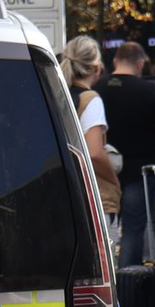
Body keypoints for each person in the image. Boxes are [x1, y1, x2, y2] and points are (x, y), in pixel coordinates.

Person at [101, 41, 155, 268]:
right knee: (133, 230)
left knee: (103, 232)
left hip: (103, 170)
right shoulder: (151, 92)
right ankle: (127, 280)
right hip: (138, 172)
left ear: (115, 61)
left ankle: (107, 278)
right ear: (140, 63)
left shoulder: (96, 89)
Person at [60, 35, 121, 235]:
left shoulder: (59, 96)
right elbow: (95, 153)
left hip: (65, 193)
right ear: (96, 68)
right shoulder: (90, 100)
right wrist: (114, 181)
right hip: (95, 197)